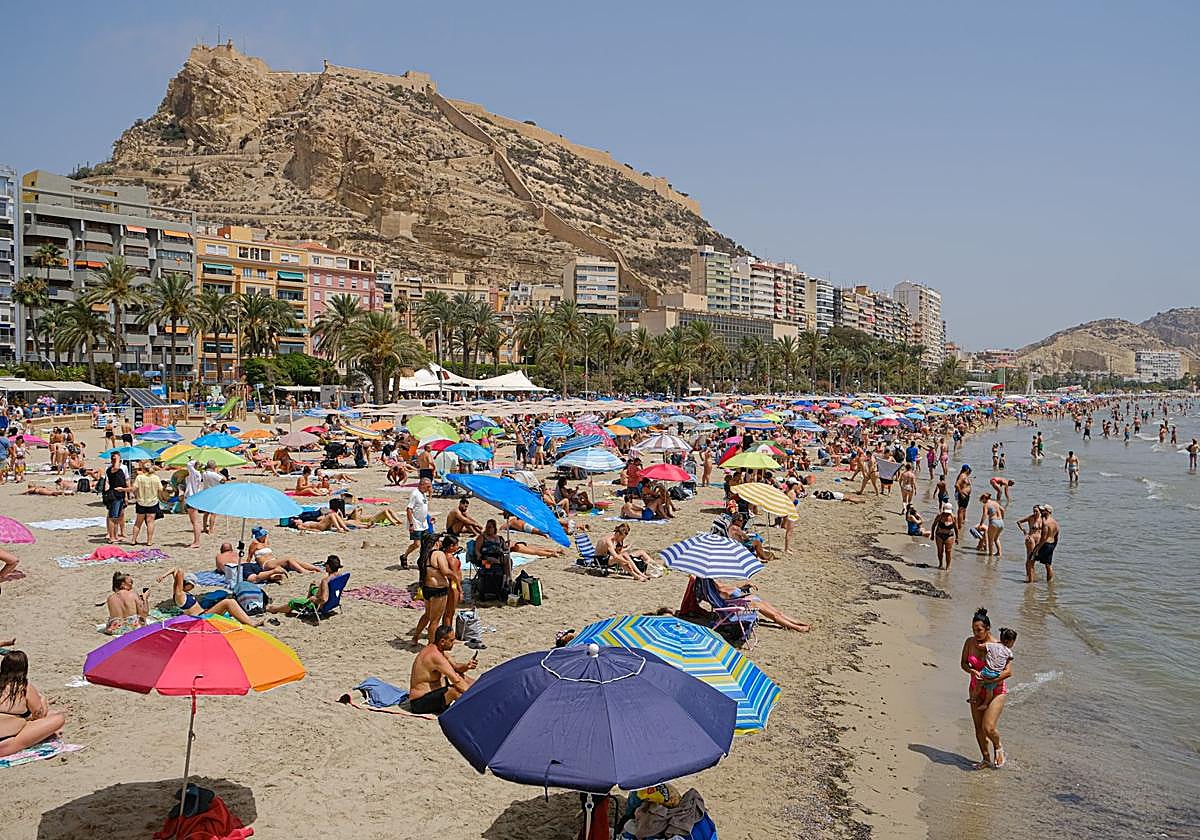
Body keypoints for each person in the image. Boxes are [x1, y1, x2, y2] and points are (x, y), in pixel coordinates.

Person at [960, 607, 1013, 768]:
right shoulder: (969, 642)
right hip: (975, 689)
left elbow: (1009, 672)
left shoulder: (999, 645)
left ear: (987, 629)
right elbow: (963, 663)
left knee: (988, 727)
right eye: (973, 630)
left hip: (996, 690)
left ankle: (998, 747)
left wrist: (989, 680)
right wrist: (971, 670)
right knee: (978, 728)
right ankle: (985, 759)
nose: (976, 633)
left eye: (979, 630)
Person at [0, 651, 68, 759]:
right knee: (58, 718)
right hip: (7, 742)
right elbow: (39, 715)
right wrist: (43, 701)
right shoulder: (24, 687)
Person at [157, 568, 264, 626]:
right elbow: (179, 571)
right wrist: (169, 575)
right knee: (228, 602)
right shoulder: (180, 595)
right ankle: (251, 623)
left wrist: (164, 575)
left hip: (204, 614)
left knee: (226, 603)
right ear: (186, 584)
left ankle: (248, 620)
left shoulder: (180, 593)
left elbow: (175, 571)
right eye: (192, 585)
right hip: (200, 618)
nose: (193, 587)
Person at [408, 625, 477, 715]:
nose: (454, 643)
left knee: (465, 678)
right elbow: (456, 680)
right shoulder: (435, 656)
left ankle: (481, 694)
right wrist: (473, 696)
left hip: (435, 693)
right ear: (442, 641)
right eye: (451, 640)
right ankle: (474, 711)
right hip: (419, 702)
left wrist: (467, 666)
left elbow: (456, 667)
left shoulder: (438, 649)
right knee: (454, 691)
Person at [706, 579, 811, 632]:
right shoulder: (713, 585)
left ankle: (796, 622)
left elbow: (726, 587)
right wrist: (739, 590)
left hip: (738, 602)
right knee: (773, 615)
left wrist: (742, 586)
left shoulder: (710, 582)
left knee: (775, 611)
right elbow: (725, 591)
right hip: (733, 609)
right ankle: (796, 627)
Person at [410, 533, 456, 644]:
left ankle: (415, 638)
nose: (441, 543)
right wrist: (454, 576)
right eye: (439, 541)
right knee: (435, 621)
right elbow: (445, 571)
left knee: (427, 615)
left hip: (427, 588)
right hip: (438, 590)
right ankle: (431, 645)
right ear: (436, 542)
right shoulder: (438, 554)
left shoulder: (424, 555)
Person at [268, 555, 343, 617]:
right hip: (333, 601)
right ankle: (306, 602)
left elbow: (324, 599)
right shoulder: (340, 576)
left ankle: (275, 609)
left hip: (319, 605)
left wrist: (313, 599)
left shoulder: (325, 581)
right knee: (313, 585)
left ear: (328, 566)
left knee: (292, 602)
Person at [969, 627, 1017, 711]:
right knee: (989, 691)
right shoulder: (1009, 652)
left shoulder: (992, 645)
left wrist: (977, 642)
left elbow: (980, 646)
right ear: (1010, 642)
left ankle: (973, 698)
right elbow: (1009, 660)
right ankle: (985, 704)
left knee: (978, 685)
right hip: (996, 674)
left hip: (986, 671)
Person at [214, 542, 287, 585]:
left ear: (221, 550)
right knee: (261, 574)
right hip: (250, 564)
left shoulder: (219, 556)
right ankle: (272, 576)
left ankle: (274, 571)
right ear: (231, 549)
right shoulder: (235, 553)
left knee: (253, 579)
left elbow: (220, 569)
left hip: (238, 567)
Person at [129, 461, 162, 546]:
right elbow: (161, 489)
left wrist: (123, 490)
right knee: (150, 522)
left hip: (141, 502)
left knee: (138, 523)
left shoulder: (139, 477)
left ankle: (133, 540)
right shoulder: (156, 478)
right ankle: (149, 541)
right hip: (152, 502)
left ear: (143, 468)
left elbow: (133, 489)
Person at [402, 477, 433, 568]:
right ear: (422, 485)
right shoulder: (415, 494)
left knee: (426, 544)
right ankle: (404, 556)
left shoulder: (423, 494)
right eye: (428, 487)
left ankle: (422, 561)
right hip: (416, 523)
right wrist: (411, 524)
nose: (429, 489)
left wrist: (429, 518)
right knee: (417, 544)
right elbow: (409, 509)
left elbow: (422, 508)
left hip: (424, 523)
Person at [1027, 504, 1059, 583]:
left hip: (1044, 544)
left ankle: (1030, 582)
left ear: (1048, 512)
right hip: (1051, 545)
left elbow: (1043, 538)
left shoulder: (1045, 523)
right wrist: (1054, 546)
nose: (1041, 511)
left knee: (1030, 561)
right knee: (1048, 565)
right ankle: (1049, 583)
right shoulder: (1055, 523)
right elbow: (1057, 536)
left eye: (1043, 510)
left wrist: (1037, 549)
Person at [103, 452, 129, 544]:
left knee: (117, 517)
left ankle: (115, 535)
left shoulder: (121, 469)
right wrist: (116, 458)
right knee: (112, 517)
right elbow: (116, 468)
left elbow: (125, 481)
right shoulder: (111, 469)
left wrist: (126, 495)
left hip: (120, 495)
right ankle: (111, 537)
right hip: (114, 495)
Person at [975, 492, 1005, 557]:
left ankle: (990, 555)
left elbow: (984, 515)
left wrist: (981, 524)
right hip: (1001, 522)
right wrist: (1002, 518)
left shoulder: (986, 505)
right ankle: (999, 553)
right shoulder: (996, 503)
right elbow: (1003, 510)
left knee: (990, 540)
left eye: (982, 500)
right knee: (996, 538)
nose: (982, 502)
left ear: (985, 498)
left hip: (994, 522)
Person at [932, 503, 959, 570]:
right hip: (939, 535)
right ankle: (940, 564)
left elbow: (956, 528)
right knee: (940, 551)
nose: (947, 514)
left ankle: (948, 566)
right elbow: (934, 525)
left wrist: (957, 538)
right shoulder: (939, 516)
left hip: (949, 536)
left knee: (948, 551)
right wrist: (932, 534)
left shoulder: (953, 517)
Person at [954, 465, 973, 531]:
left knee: (963, 509)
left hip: (966, 495)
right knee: (961, 510)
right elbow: (956, 485)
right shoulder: (962, 476)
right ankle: (959, 527)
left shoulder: (965, 476)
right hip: (963, 495)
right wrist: (961, 493)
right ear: (967, 469)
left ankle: (962, 524)